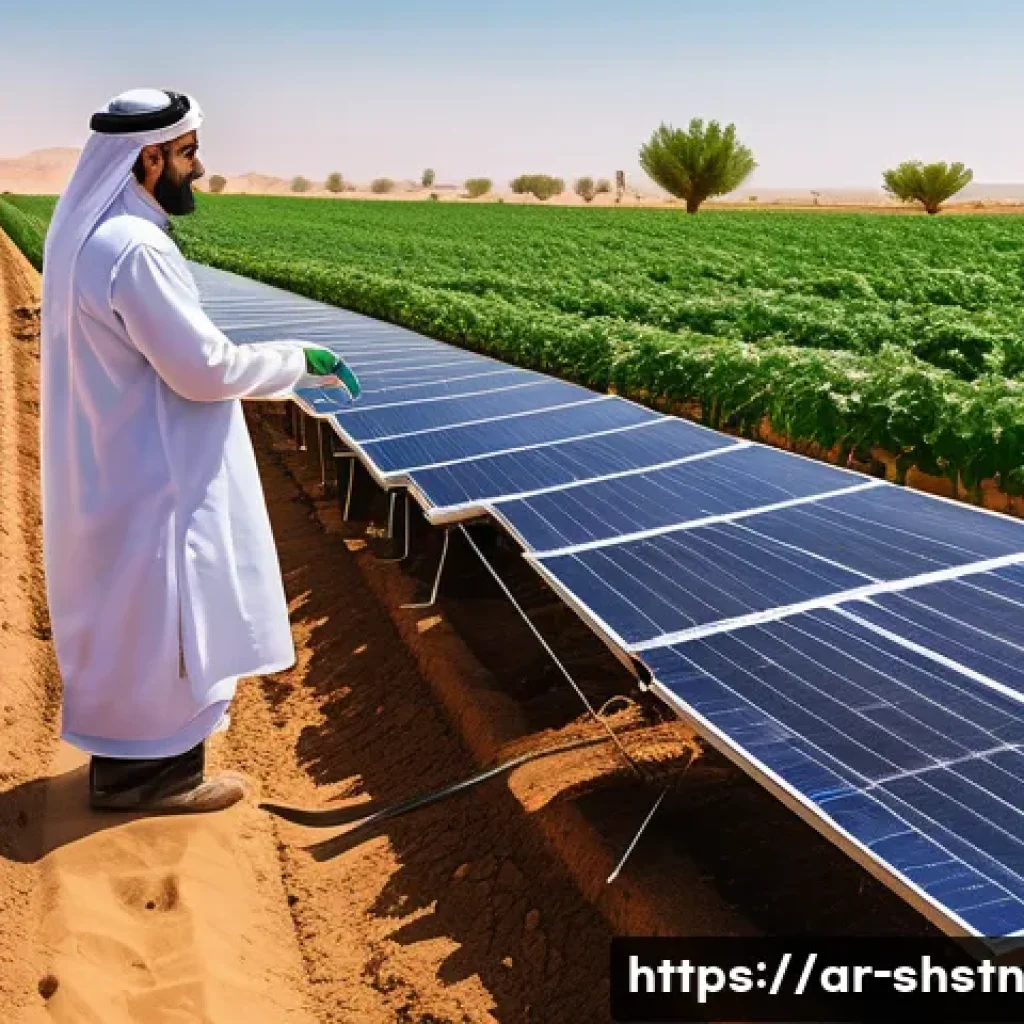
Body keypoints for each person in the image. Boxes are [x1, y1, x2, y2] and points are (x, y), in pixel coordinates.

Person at [39, 88, 359, 814]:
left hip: (114, 460)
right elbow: (204, 369)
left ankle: (127, 770)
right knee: (167, 624)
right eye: (186, 154)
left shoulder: (91, 237)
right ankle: (158, 781)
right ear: (148, 159)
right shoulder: (135, 249)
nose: (199, 168)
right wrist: (294, 360)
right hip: (156, 477)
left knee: (129, 622)